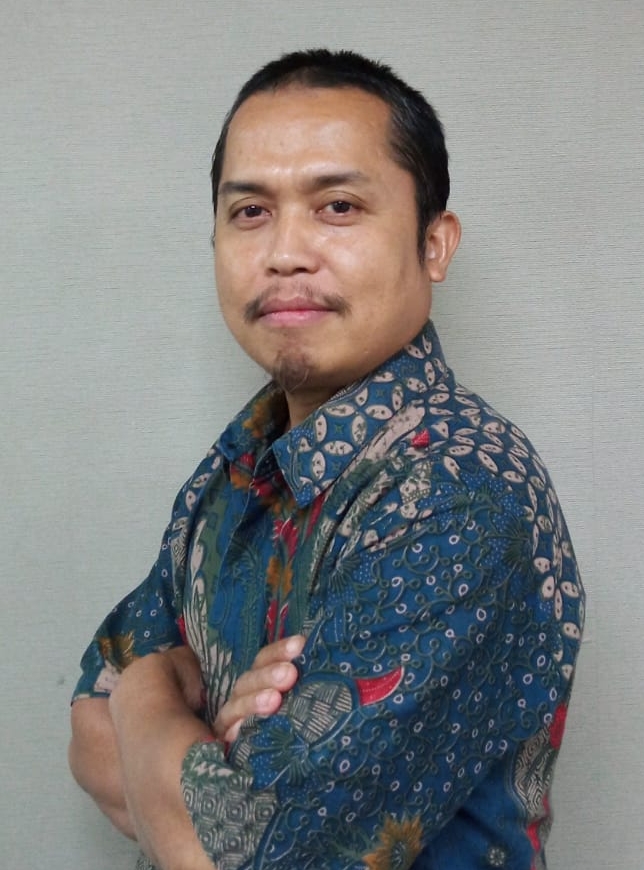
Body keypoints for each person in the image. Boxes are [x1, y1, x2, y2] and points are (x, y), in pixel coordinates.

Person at [69, 49, 584, 870]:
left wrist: (144, 699)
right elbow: (86, 744)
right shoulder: (241, 460)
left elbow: (230, 853)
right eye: (249, 212)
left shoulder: (458, 493)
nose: (285, 253)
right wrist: (192, 757)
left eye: (337, 206)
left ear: (434, 244)